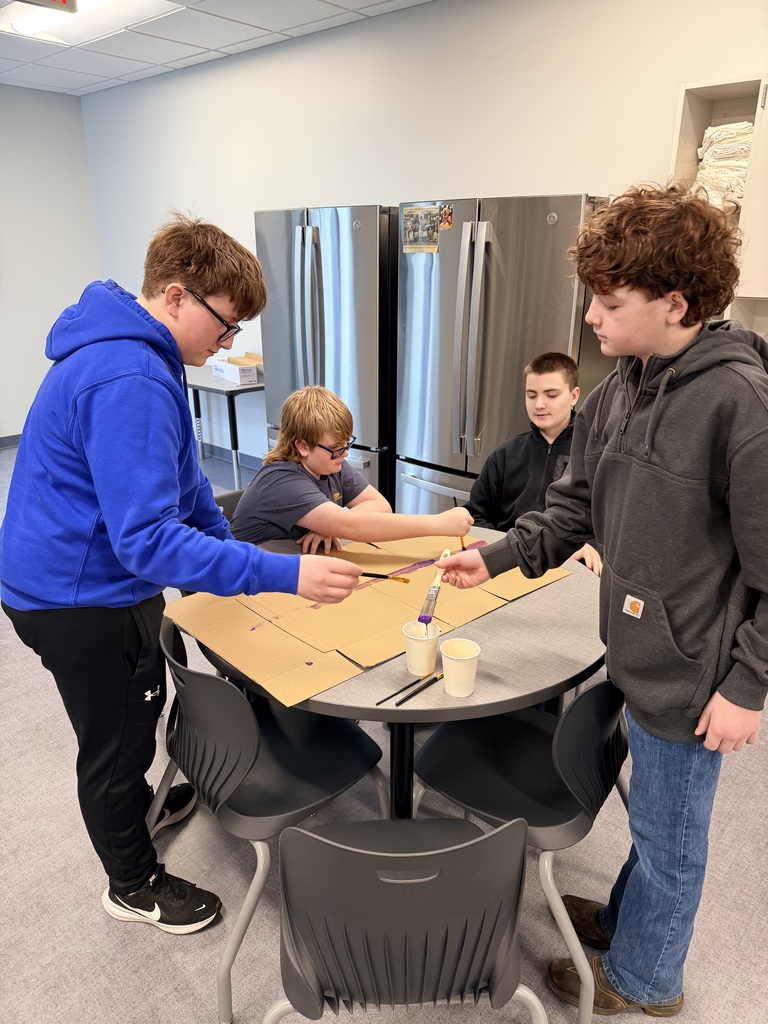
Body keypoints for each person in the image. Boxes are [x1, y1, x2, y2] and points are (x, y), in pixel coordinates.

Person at [435, 184, 766, 1015]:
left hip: (695, 676)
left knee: (671, 839)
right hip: (632, 646)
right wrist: (501, 557)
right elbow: (577, 503)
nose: (590, 316)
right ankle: (627, 923)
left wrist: (747, 686)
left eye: (610, 302)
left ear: (677, 303)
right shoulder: (624, 382)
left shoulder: (739, 403)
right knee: (651, 822)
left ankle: (647, 982)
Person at [0, 214, 363, 936]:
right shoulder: (128, 372)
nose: (226, 344)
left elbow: (185, 485)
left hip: (79, 575)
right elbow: (145, 540)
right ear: (175, 297)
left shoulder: (140, 355)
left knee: (140, 702)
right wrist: (276, 576)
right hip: (76, 596)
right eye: (225, 327)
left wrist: (226, 553)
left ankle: (136, 811)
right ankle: (131, 884)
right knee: (117, 740)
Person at [230, 385, 473, 551]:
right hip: (247, 583)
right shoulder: (281, 479)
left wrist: (329, 526)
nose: (344, 453)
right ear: (302, 446)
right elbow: (351, 527)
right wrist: (439, 524)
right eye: (335, 447)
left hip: (291, 565)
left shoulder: (330, 463)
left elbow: (380, 506)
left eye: (347, 444)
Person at [465, 351, 601, 573]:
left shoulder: (593, 456)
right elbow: (476, 514)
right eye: (531, 395)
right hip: (509, 566)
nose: (539, 404)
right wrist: (500, 552)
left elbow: (610, 523)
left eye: (551, 395)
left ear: (574, 396)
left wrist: (590, 546)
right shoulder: (504, 454)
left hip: (571, 567)